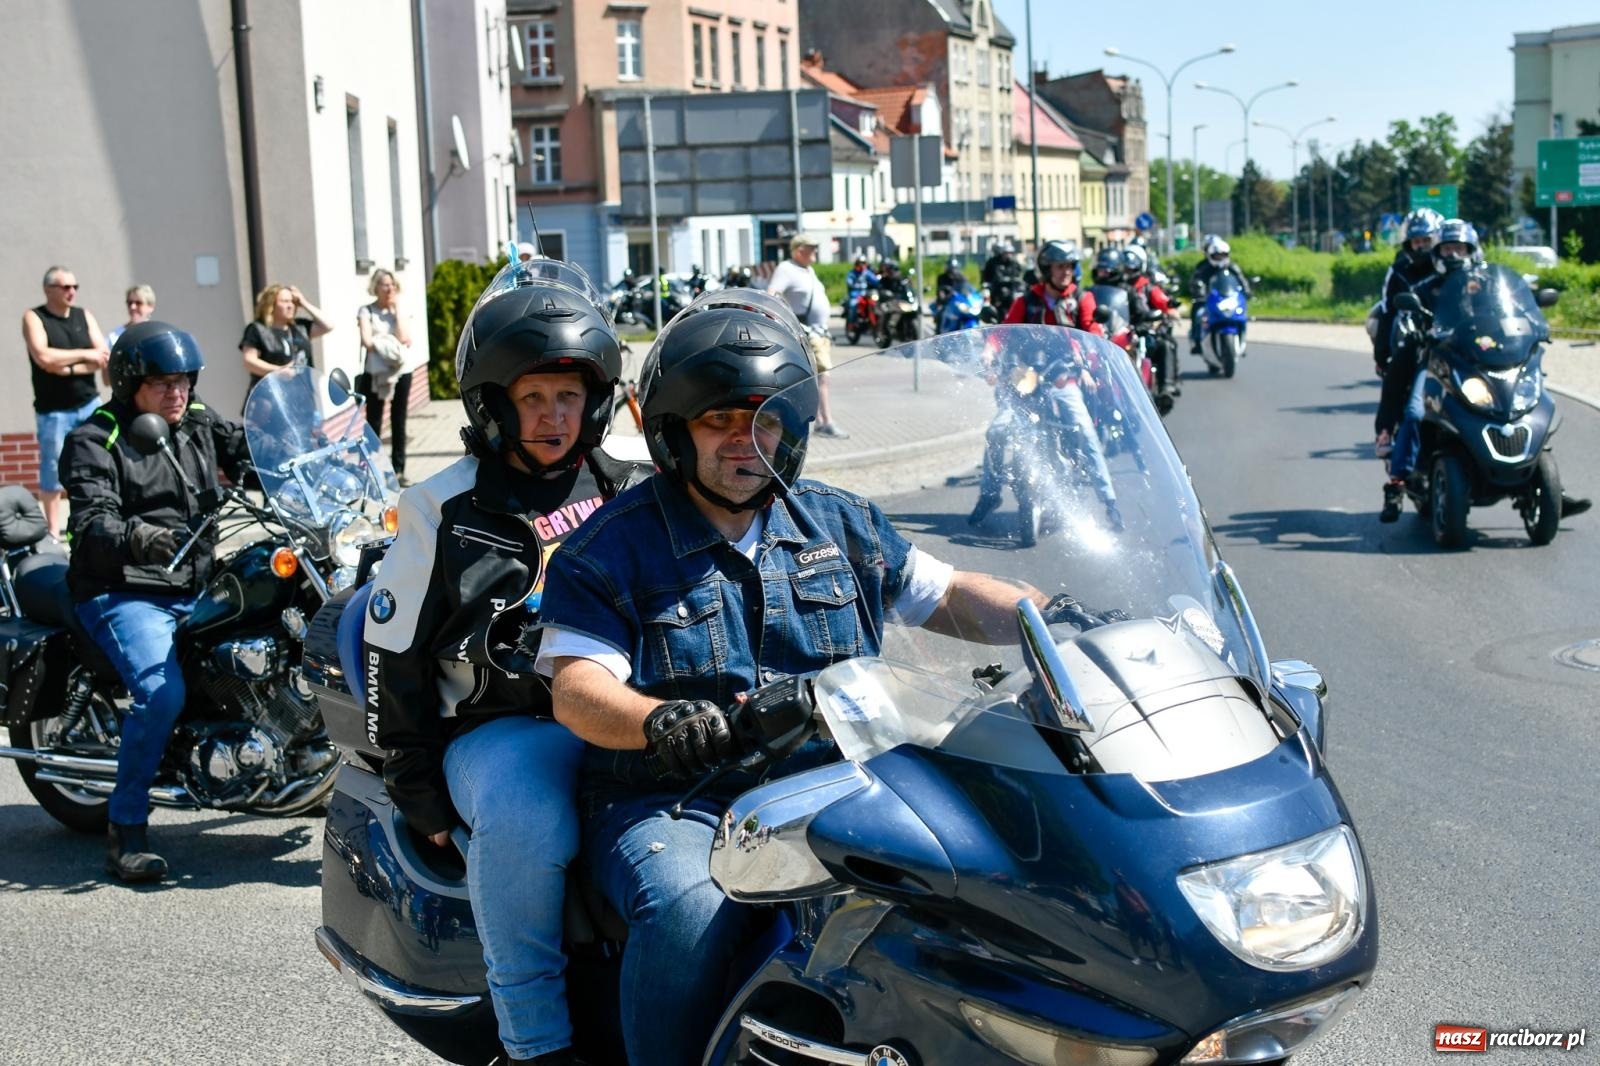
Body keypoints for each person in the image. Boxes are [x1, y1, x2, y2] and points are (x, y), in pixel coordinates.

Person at [532, 291, 1079, 1065]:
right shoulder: (611, 550)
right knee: (691, 907)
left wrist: (1053, 619)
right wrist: (663, 722)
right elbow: (578, 688)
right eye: (719, 421)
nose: (745, 442)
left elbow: (948, 593)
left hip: (838, 785)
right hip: (682, 801)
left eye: (765, 420)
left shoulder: (837, 521)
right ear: (672, 432)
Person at [366, 259, 646, 1065]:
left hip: (620, 710)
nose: (555, 417)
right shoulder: (443, 504)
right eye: (533, 399)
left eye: (568, 397)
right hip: (501, 730)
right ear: (493, 405)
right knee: (530, 816)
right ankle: (535, 1044)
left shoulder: (632, 484)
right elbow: (394, 655)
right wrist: (417, 793)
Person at [60, 321, 251, 881]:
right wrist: (142, 536)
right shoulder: (94, 438)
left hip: (193, 580)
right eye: (163, 382)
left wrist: (312, 452)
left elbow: (249, 448)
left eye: (185, 380)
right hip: (124, 588)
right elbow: (93, 520)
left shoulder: (194, 420)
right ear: (130, 383)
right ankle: (126, 832)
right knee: (160, 693)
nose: (178, 392)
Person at [1379, 221, 1590, 522]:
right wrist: (1415, 328)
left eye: (1460, 248)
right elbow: (1405, 318)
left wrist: (1532, 322)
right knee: (1414, 412)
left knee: (1524, 405)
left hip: (1482, 362)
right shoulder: (1425, 289)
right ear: (1437, 253)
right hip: (1437, 363)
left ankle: (1551, 488)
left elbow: (1517, 307)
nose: (1454, 253)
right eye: (1448, 248)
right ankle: (1397, 482)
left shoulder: (1488, 282)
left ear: (1472, 250)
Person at [22, 265, 109, 543]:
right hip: (53, 412)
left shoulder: (85, 316)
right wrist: (85, 356)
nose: (72, 292)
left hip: (89, 403)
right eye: (65, 287)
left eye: (75, 286)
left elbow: (102, 356)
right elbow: (44, 357)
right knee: (53, 470)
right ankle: (52, 531)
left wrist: (67, 367)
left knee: (99, 464)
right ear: (49, 290)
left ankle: (98, 520)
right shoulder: (35, 317)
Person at [1371, 209, 1444, 457]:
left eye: (1427, 240)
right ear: (1408, 243)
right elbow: (1387, 309)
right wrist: (1381, 354)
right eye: (1417, 241)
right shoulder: (1400, 268)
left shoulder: (1448, 263)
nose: (1422, 246)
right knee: (1400, 365)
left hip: (1453, 334)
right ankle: (1385, 430)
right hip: (1416, 333)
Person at [764, 233, 847, 438]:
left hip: (818, 332)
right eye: (810, 248)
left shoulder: (806, 270)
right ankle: (824, 421)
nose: (814, 252)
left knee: (820, 377)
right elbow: (772, 294)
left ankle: (819, 420)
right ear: (798, 251)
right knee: (822, 377)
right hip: (808, 333)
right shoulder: (787, 269)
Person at [353, 268, 419, 486]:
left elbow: (404, 337)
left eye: (392, 284)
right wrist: (390, 344)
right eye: (384, 284)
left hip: (401, 371)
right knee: (373, 422)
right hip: (376, 374)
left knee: (399, 421)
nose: (389, 288)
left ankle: (398, 471)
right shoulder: (366, 311)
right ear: (375, 288)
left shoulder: (400, 309)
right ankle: (369, 470)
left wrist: (397, 310)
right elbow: (366, 341)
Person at [239, 282, 333, 396]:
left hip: (302, 397)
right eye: (285, 301)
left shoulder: (300, 327)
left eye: (293, 302)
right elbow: (249, 361)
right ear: (271, 305)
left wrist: (304, 303)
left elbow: (328, 325)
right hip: (271, 398)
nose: (290, 305)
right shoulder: (258, 329)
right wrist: (277, 371)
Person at [1123, 245, 1182, 405]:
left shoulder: (1148, 286)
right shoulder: (1116, 286)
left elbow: (1163, 301)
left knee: (1165, 344)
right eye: (1125, 265)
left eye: (1132, 265)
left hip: (1145, 332)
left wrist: (1170, 309)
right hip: (1121, 333)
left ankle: (1166, 388)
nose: (1128, 269)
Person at [1002, 239, 1100, 332]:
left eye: (1069, 266)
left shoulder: (1083, 298)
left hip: (1072, 350)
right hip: (1036, 350)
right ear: (1046, 270)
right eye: (1060, 267)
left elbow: (1094, 333)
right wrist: (990, 346)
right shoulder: (1026, 301)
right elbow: (1004, 334)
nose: (1067, 272)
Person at [1190, 237, 1251, 355]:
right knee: (1198, 313)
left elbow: (1242, 280)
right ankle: (1197, 339)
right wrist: (1199, 291)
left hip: (1227, 298)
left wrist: (1247, 291)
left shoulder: (1233, 267)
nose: (1220, 258)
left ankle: (1241, 340)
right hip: (1209, 299)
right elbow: (1196, 281)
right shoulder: (1204, 267)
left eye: (1223, 255)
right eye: (1217, 256)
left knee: (1242, 313)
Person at [105, 284, 156, 351]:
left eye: (138, 303)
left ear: (151, 306)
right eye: (130, 303)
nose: (133, 307)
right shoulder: (114, 336)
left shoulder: (156, 334)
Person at [842, 253, 879, 332]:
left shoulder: (866, 273)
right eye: (860, 263)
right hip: (856, 295)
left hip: (866, 294)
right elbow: (849, 281)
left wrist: (881, 281)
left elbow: (875, 280)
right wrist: (852, 284)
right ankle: (851, 324)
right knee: (853, 305)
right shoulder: (852, 273)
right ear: (857, 264)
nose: (862, 265)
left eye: (864, 263)